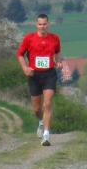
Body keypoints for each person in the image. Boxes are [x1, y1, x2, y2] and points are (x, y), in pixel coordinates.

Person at [16, 13, 61, 146]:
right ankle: (41, 122)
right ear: (36, 25)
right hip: (34, 76)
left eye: (44, 24)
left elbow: (58, 52)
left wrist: (58, 61)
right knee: (36, 109)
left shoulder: (55, 38)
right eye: (40, 24)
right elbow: (20, 54)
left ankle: (46, 135)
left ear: (48, 24)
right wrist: (25, 68)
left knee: (47, 103)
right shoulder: (29, 38)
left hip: (49, 74)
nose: (42, 26)